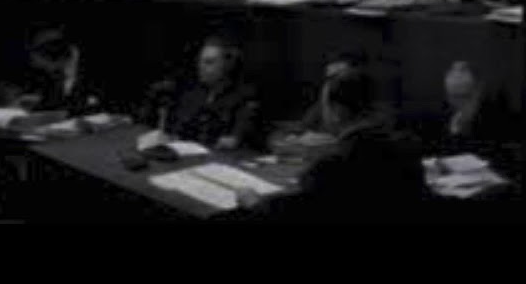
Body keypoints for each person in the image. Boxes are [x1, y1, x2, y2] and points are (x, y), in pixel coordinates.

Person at [231, 69, 427, 223]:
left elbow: (292, 214)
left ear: (337, 111)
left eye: (324, 105)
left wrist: (255, 202)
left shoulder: (332, 165)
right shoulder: (407, 149)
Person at [140, 36, 265, 150]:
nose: (201, 67)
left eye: (209, 62)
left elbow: (236, 139)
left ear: (228, 65)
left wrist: (232, 140)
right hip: (185, 155)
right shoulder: (192, 91)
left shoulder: (244, 96)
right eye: (200, 61)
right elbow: (179, 129)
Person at [410, 61, 515, 157]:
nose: (457, 104)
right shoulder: (442, 116)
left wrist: (458, 133)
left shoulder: (496, 121)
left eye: (464, 97)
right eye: (452, 96)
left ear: (478, 91)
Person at [0, 24, 107, 117]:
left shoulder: (95, 69)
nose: (44, 70)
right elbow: (51, 107)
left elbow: (97, 108)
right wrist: (28, 105)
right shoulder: (47, 76)